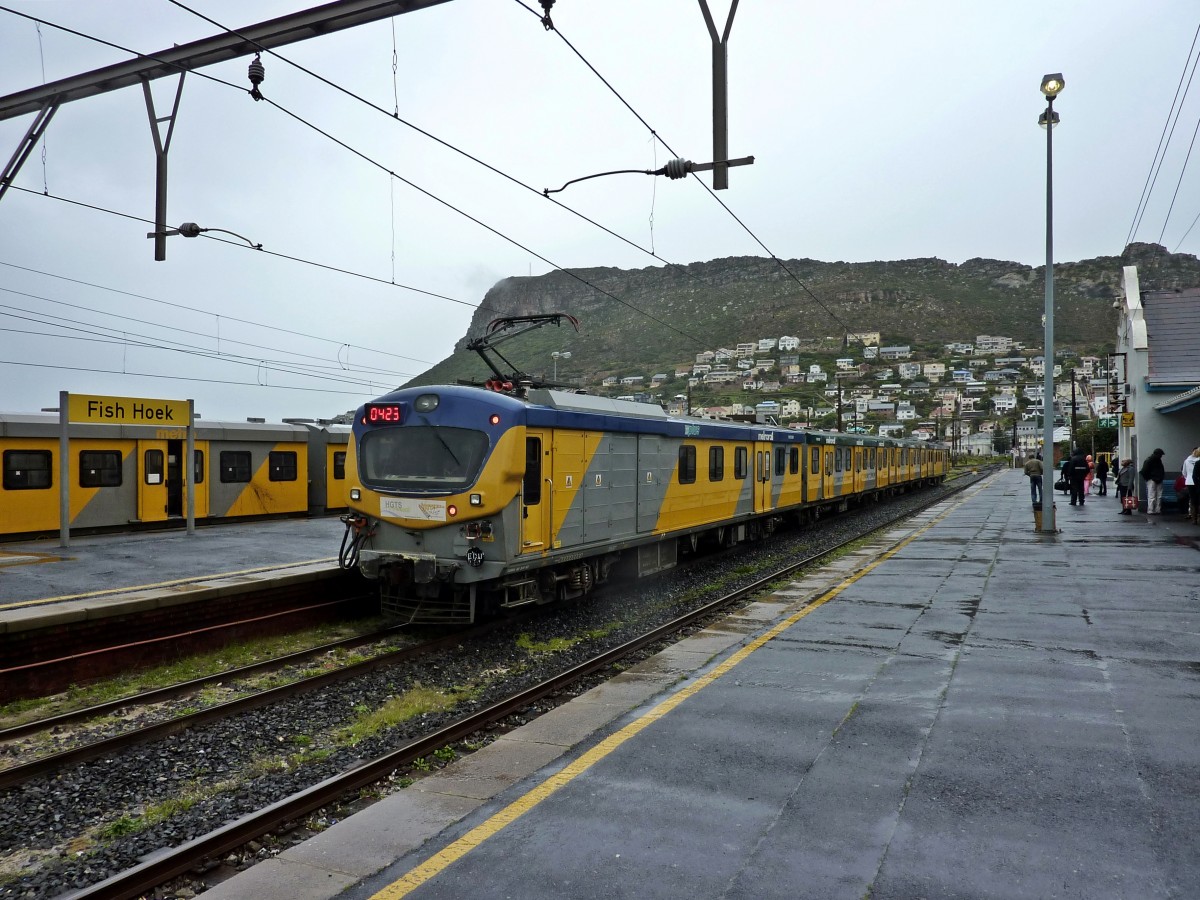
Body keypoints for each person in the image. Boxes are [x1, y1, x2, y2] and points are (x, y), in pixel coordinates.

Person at [1140, 448, 1166, 514]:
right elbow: (1161, 470)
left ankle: (1151, 510)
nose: (1161, 456)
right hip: (1157, 479)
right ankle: (1157, 509)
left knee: (1152, 496)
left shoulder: (1148, 460)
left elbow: (1144, 471)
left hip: (1151, 479)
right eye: (1161, 455)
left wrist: (1148, 478)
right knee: (1158, 496)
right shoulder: (1158, 461)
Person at [1183, 446, 1200, 525]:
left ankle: (1193, 518)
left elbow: (1184, 472)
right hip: (1198, 482)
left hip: (1190, 481)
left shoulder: (1187, 460)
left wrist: (1187, 477)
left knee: (1193, 500)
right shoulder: (1198, 461)